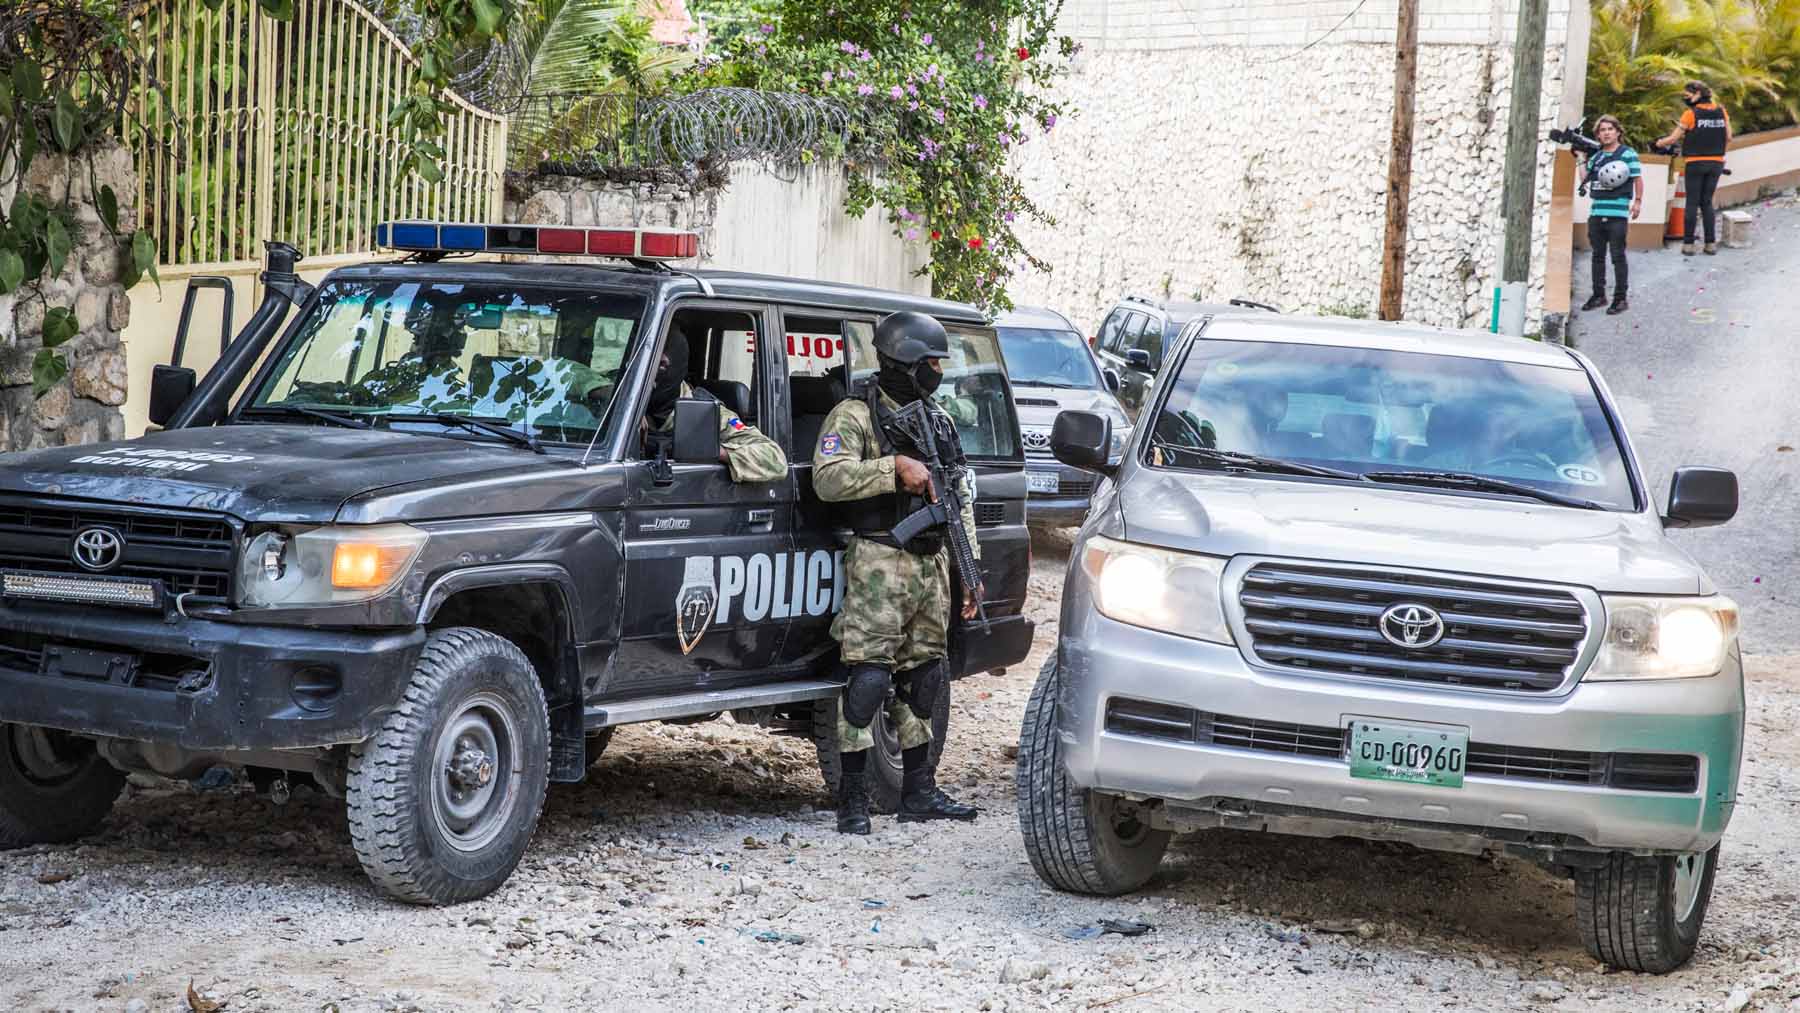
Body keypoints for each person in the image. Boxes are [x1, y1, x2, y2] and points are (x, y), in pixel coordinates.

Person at [812, 310, 982, 835]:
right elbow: (828, 479)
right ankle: (854, 798)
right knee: (867, 681)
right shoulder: (854, 416)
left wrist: (968, 572)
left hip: (931, 564)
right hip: (880, 560)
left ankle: (919, 790)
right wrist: (894, 470)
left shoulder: (939, 421)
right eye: (932, 363)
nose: (938, 372)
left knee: (926, 679)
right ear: (905, 363)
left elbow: (959, 499)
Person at [642, 324, 787, 482]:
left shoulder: (712, 415)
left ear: (678, 366)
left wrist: (716, 451)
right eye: (646, 365)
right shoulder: (621, 405)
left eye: (661, 365)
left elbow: (775, 459)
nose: (652, 375)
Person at [1656, 81, 1732, 256]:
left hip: (1695, 162)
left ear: (1698, 93)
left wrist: (1659, 143)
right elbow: (1729, 136)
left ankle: (1688, 245)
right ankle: (1710, 244)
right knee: (1706, 202)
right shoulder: (1722, 111)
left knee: (1692, 202)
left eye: (1688, 95)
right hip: (1716, 163)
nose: (1686, 98)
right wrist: (1720, 157)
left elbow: (1673, 139)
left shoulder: (1690, 114)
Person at [1578, 115, 1643, 315]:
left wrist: (1638, 202)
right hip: (1597, 213)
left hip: (1617, 214)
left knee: (1617, 256)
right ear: (1598, 135)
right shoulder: (1597, 157)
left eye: (1609, 129)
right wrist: (1581, 158)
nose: (1606, 133)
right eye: (1602, 130)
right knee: (1597, 256)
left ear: (1617, 132)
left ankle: (1620, 298)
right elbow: (1585, 180)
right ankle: (1599, 295)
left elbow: (1637, 179)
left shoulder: (1627, 154)